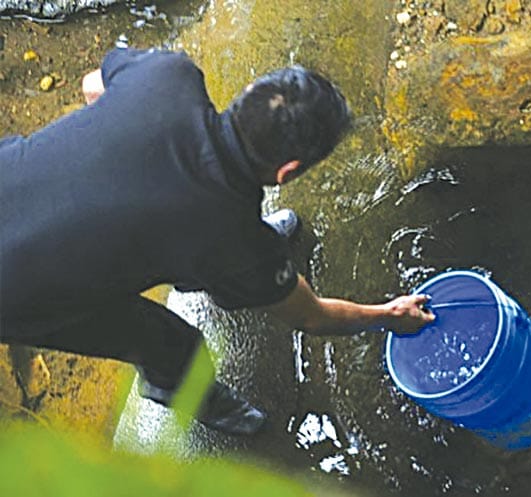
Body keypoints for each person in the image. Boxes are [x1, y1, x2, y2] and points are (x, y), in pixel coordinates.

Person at [0, 46, 435, 435]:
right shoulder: (239, 246)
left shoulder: (168, 75)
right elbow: (312, 318)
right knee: (168, 341)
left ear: (251, 91)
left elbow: (93, 85)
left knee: (205, 246)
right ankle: (188, 396)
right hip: (17, 293)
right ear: (289, 171)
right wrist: (389, 314)